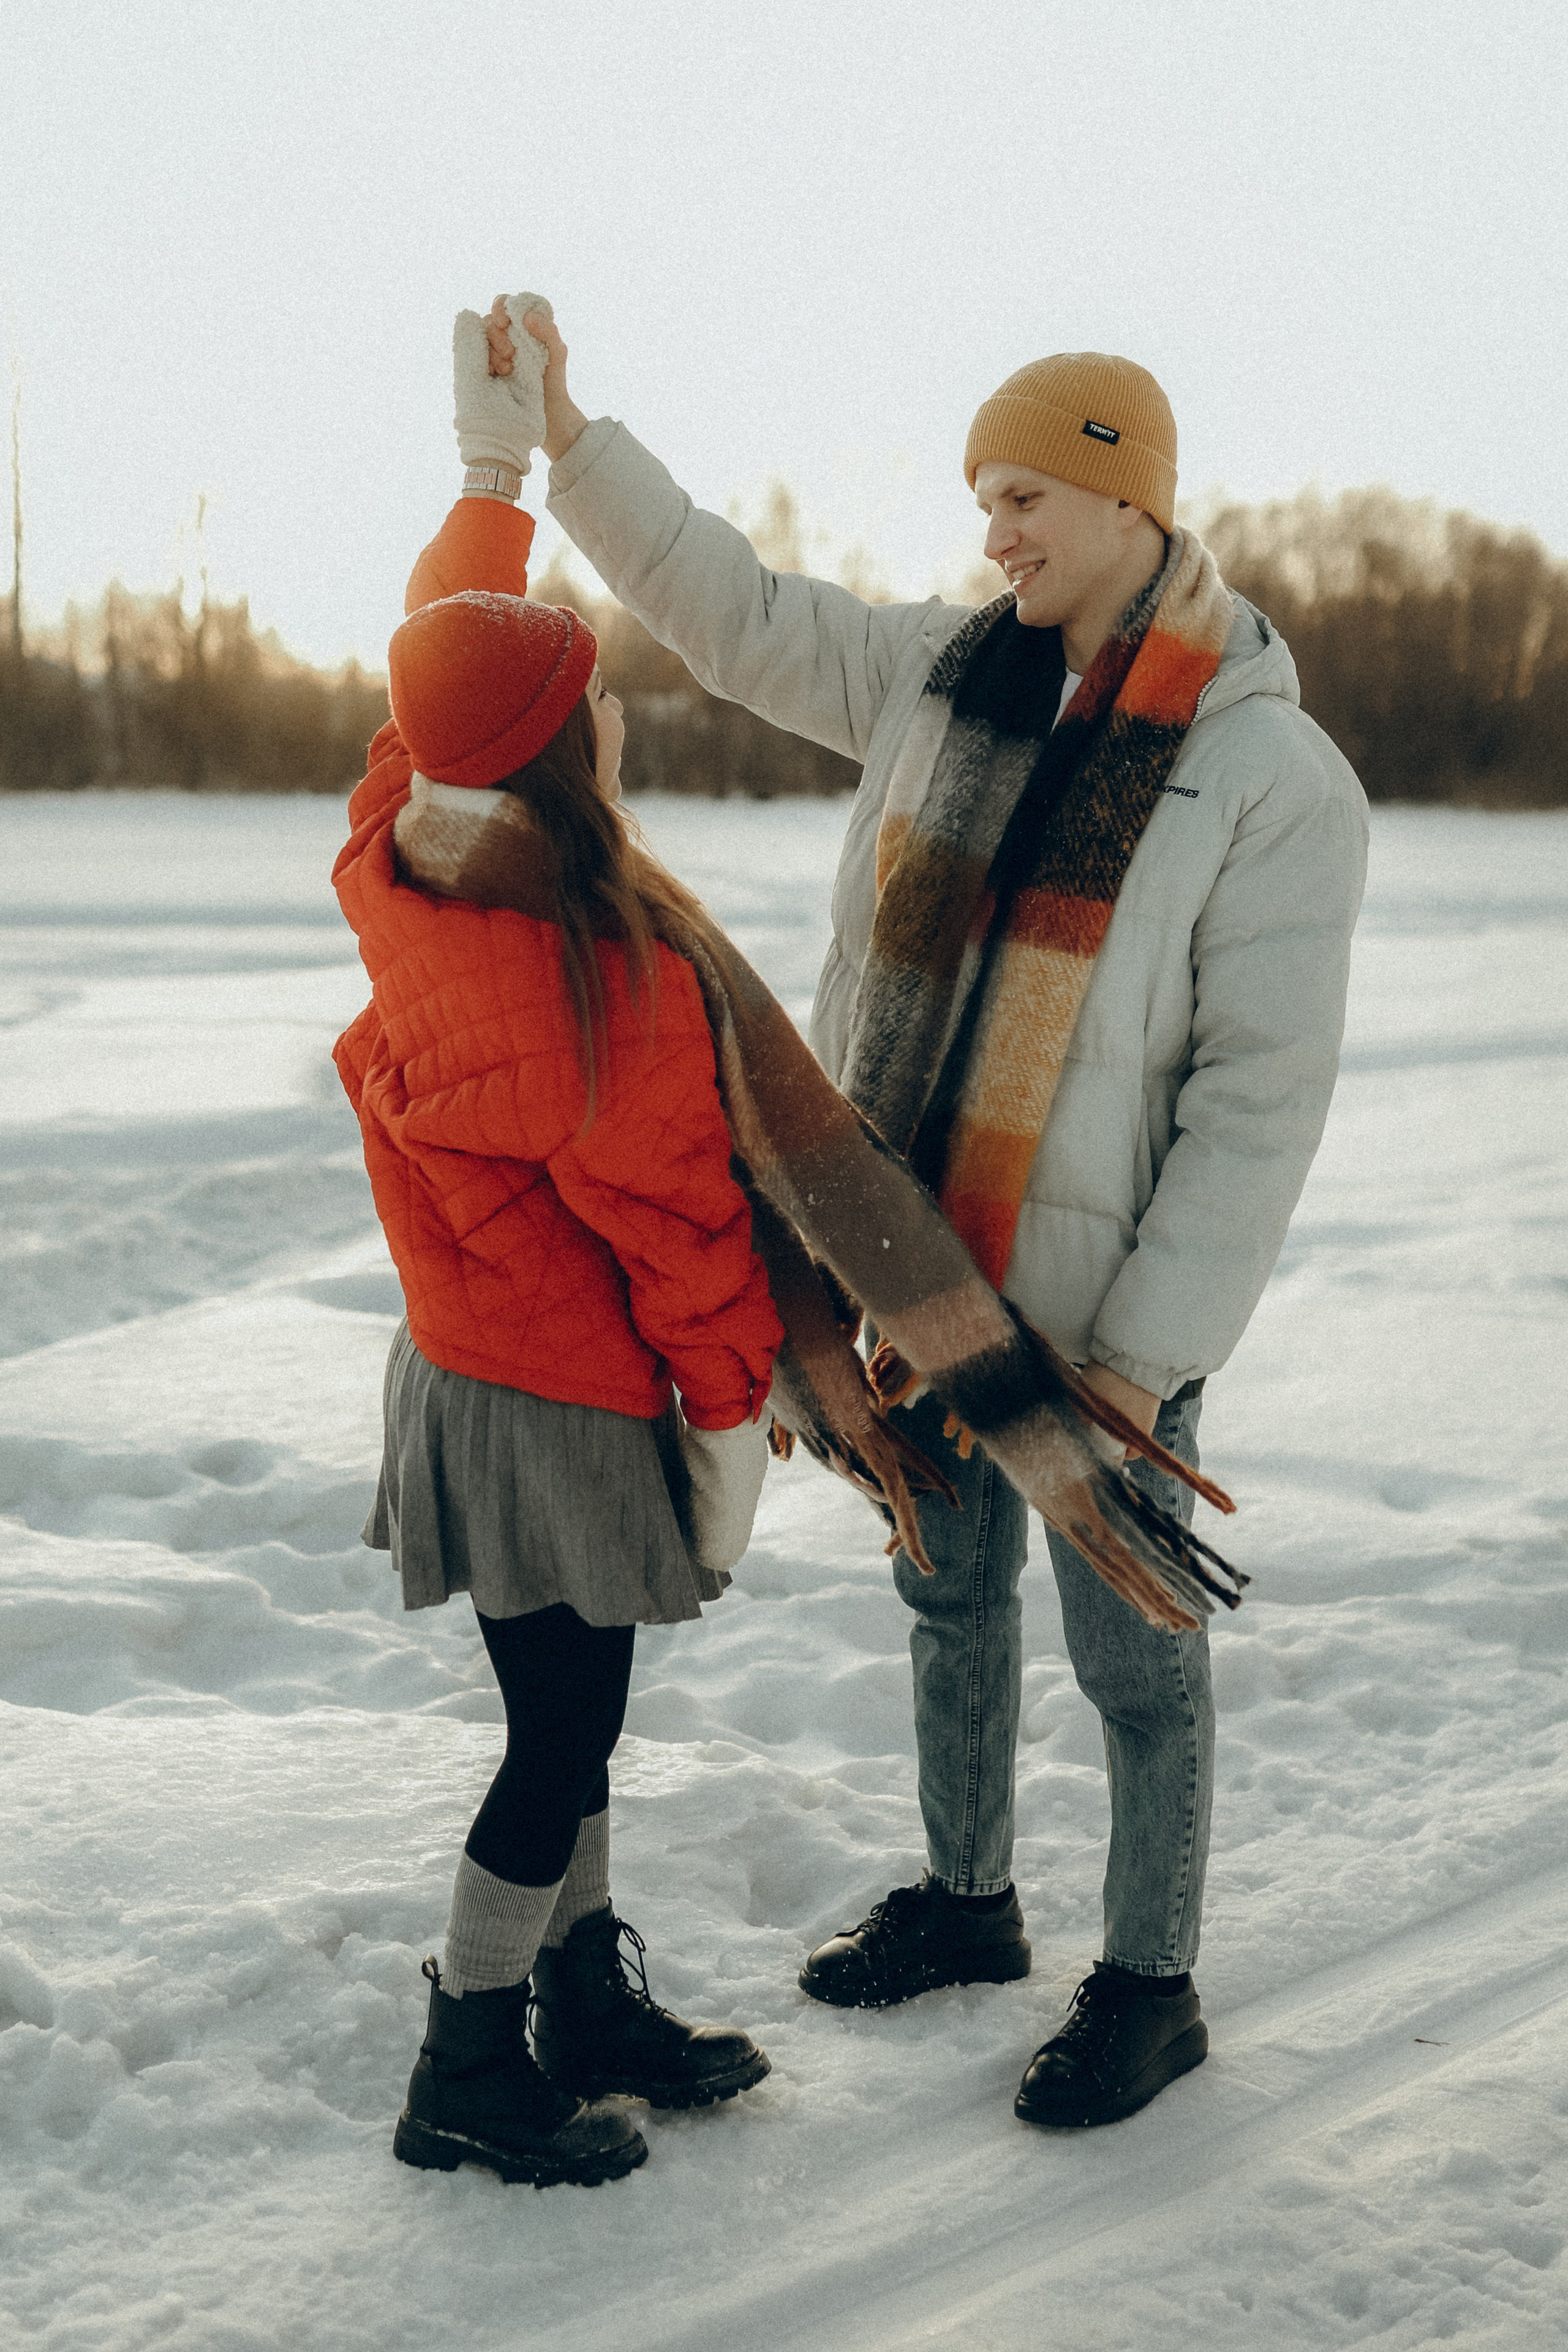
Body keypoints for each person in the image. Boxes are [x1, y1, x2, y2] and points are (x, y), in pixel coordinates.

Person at [486, 300, 1369, 2129]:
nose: (997, 534)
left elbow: (1256, 1105)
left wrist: (1145, 1355)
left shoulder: (1274, 779)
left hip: (1103, 1316)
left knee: (1136, 1658)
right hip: (912, 1277)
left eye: (1029, 494)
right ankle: (971, 1906)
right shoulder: (936, 679)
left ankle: (1152, 1981)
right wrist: (571, 444)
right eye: (984, 499)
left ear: (1133, 501)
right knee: (947, 1607)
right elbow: (729, 609)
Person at [331, 309, 783, 2187]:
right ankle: (468, 2057)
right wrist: (736, 1412)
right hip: (571, 1401)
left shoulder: (402, 859)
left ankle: (582, 1997)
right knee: (559, 1744)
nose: (614, 709)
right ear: (561, 766)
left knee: (564, 1718)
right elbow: (684, 1230)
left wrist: (492, 480)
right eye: (594, 699)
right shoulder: (607, 987)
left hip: (461, 1373)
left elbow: (436, 667)